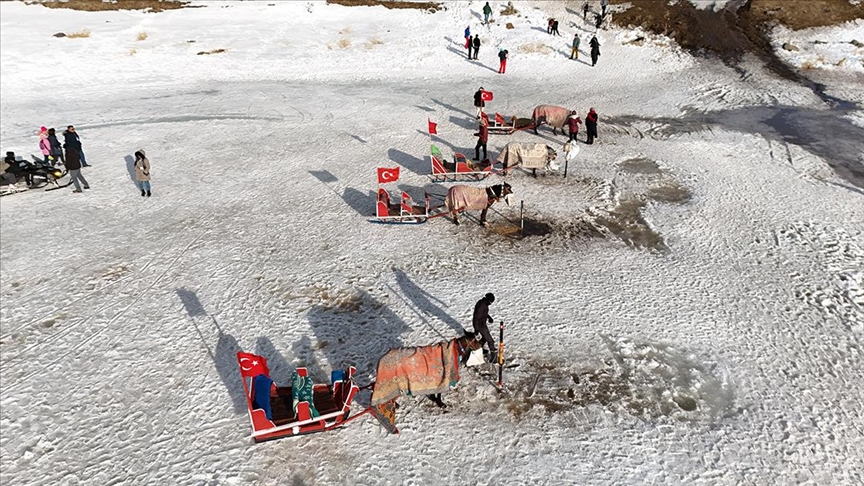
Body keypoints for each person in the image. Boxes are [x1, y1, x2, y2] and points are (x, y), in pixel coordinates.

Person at [472, 293, 497, 362]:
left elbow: (483, 313)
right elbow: (476, 317)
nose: (491, 303)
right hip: (480, 325)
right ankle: (493, 357)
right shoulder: (482, 305)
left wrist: (489, 318)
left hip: (482, 324)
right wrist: (476, 329)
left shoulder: (483, 303)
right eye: (491, 302)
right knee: (490, 340)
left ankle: (477, 349)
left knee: (484, 338)